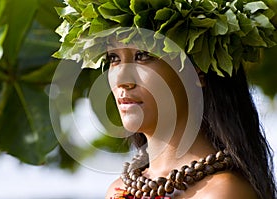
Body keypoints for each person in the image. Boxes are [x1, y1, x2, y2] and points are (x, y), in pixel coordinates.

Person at [53, 0, 277, 198]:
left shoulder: (222, 192)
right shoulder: (118, 191)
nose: (121, 78)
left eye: (143, 55)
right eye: (114, 58)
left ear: (197, 70)